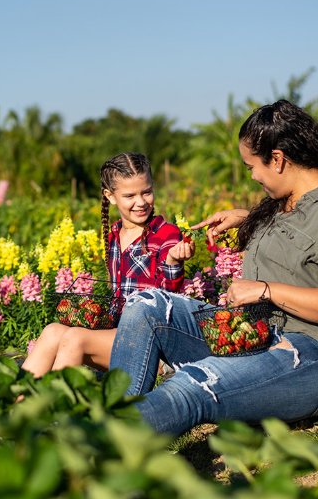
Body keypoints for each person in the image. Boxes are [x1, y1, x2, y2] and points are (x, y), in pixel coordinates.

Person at [109, 100, 318, 436]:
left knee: (195, 386)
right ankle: (113, 416)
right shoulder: (288, 203)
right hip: (258, 336)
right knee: (145, 305)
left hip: (313, 357)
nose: (252, 176)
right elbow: (295, 240)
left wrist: (267, 291)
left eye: (252, 166)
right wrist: (251, 219)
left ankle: (100, 449)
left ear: (277, 159)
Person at [21, 152, 195, 377]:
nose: (141, 202)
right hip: (119, 335)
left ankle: (54, 408)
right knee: (53, 331)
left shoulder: (166, 233)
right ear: (110, 196)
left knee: (75, 338)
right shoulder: (113, 234)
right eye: (129, 195)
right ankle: (17, 401)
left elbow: (168, 302)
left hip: (154, 343)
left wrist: (173, 262)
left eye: (147, 192)